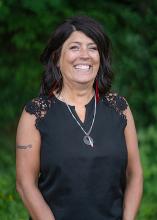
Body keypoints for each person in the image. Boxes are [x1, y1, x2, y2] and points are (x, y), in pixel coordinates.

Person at [16, 15, 143, 220]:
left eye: (92, 48)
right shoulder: (35, 113)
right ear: (57, 58)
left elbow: (135, 174)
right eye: (74, 47)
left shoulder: (119, 108)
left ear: (100, 58)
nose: (84, 55)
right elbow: (25, 184)